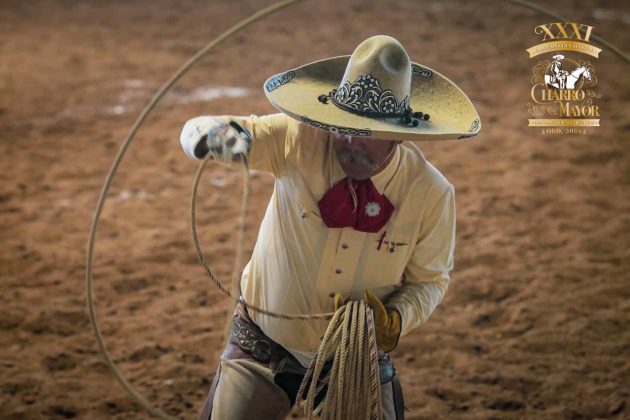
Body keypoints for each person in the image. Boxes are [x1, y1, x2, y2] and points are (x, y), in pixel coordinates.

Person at [179, 35, 480, 420]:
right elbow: (202, 128)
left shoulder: (432, 193)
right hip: (263, 344)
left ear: (401, 136)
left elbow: (431, 281)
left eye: (367, 134)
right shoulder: (298, 138)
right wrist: (215, 137)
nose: (351, 142)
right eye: (343, 126)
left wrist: (396, 320)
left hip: (353, 359)